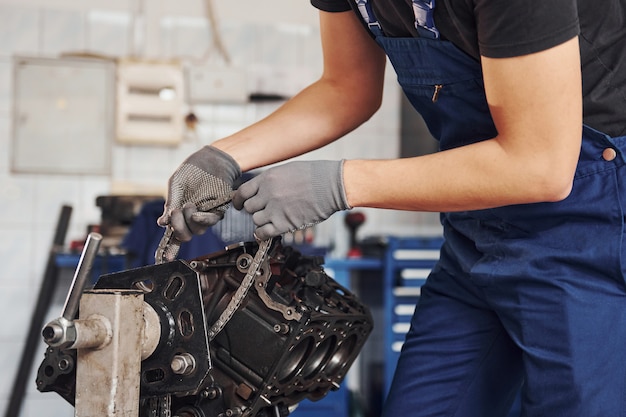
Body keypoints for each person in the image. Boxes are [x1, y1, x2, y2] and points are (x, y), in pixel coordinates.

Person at [157, 0, 626, 415]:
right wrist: (223, 157)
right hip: (479, 235)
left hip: (589, 231)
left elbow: (540, 164)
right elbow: (347, 86)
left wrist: (339, 184)